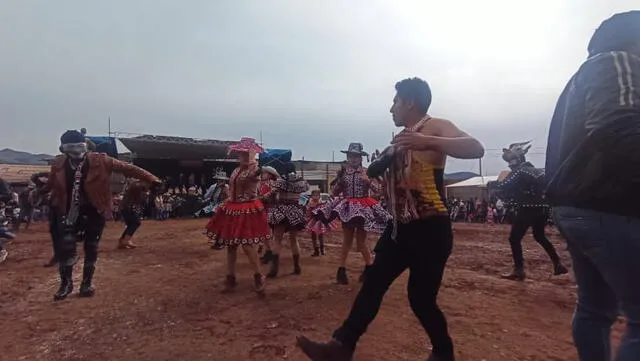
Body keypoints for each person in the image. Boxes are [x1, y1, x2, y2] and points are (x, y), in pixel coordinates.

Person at [297, 77, 485, 361]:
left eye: (395, 101)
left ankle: (444, 352)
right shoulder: (399, 139)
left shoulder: (433, 126)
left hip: (430, 230)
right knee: (373, 282)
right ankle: (341, 346)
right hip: (400, 228)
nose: (391, 108)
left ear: (409, 102)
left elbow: (476, 148)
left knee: (421, 299)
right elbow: (375, 171)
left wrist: (427, 141)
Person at [545, 11, 640, 361]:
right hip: (611, 205)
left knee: (595, 310)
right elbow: (618, 129)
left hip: (577, 206)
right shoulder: (619, 61)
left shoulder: (578, 80)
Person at [45, 130, 160, 301]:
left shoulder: (100, 160)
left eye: (78, 145)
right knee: (66, 247)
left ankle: (86, 283)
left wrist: (153, 180)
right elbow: (52, 184)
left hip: (94, 209)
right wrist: (42, 191)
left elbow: (129, 168)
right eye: (70, 147)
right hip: (67, 211)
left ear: (84, 145)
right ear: (64, 149)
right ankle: (65, 284)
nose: (75, 151)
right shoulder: (59, 164)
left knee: (91, 246)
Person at [312, 142, 392, 285]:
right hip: (348, 208)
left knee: (361, 242)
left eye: (356, 156)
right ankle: (342, 270)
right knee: (347, 241)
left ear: (361, 158)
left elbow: (378, 191)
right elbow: (335, 191)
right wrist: (338, 182)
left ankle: (369, 268)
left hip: (363, 208)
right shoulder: (343, 173)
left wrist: (368, 182)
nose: (353, 159)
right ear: (348, 157)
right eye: (351, 156)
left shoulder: (367, 172)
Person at [487, 141, 568, 281]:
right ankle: (557, 263)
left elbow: (505, 185)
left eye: (510, 163)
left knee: (514, 238)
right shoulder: (538, 171)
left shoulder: (520, 171)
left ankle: (519, 270)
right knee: (539, 236)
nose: (510, 166)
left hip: (527, 208)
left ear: (515, 160)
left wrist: (492, 184)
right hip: (543, 208)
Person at [204, 137, 270, 295]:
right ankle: (231, 278)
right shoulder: (236, 170)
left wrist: (254, 161)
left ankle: (258, 276)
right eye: (241, 153)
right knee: (231, 245)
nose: (243, 156)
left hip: (247, 209)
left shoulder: (254, 170)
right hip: (233, 209)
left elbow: (257, 174)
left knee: (247, 245)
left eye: (247, 153)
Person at [265, 161, 309, 277]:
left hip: (281, 210)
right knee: (294, 240)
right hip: (295, 211)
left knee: (277, 240)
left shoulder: (280, 181)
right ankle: (296, 266)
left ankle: (274, 269)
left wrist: (263, 197)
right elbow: (305, 189)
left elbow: (271, 194)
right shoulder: (301, 181)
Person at [118, 179, 158, 249]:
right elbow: (140, 200)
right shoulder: (138, 187)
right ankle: (126, 240)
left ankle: (122, 241)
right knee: (136, 223)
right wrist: (149, 196)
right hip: (128, 207)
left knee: (131, 224)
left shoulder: (137, 184)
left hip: (125, 207)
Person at [306, 189, 339, 257]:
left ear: (319, 196)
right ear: (311, 196)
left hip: (320, 221)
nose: (315, 197)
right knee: (313, 235)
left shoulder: (321, 203)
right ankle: (316, 250)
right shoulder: (310, 203)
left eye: (316, 195)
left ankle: (322, 249)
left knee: (320, 235)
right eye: (313, 195)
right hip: (313, 221)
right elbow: (308, 212)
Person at [258, 166, 279, 264]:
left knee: (267, 233)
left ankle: (269, 252)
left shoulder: (270, 185)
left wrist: (262, 197)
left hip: (269, 210)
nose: (262, 174)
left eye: (265, 173)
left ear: (269, 175)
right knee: (266, 233)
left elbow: (268, 199)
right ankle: (268, 252)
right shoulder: (266, 184)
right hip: (266, 209)